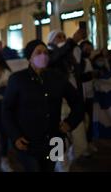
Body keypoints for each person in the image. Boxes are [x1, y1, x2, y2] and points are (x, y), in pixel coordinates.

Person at [2, 40, 84, 172]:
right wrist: (15, 135)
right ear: (29, 57)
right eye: (38, 53)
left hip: (55, 140)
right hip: (28, 141)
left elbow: (78, 102)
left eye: (46, 52)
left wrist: (70, 123)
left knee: (50, 169)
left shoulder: (58, 77)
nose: (43, 56)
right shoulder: (17, 79)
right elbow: (7, 110)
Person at [47, 29, 88, 170]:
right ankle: (60, 165)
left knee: (81, 144)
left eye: (64, 36)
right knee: (57, 141)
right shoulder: (49, 55)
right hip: (57, 105)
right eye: (58, 37)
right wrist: (72, 41)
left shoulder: (69, 56)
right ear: (50, 41)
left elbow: (76, 79)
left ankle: (65, 162)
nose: (62, 38)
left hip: (73, 104)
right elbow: (55, 57)